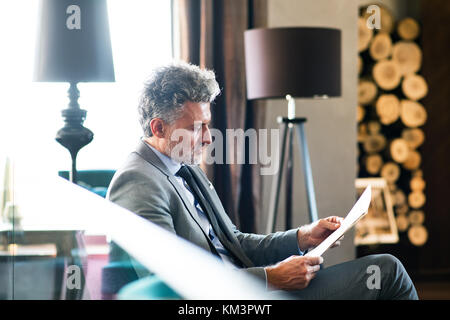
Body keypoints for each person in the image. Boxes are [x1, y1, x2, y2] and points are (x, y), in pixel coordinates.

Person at [106, 61, 418, 300]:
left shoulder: (184, 167)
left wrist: (302, 237)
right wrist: (271, 278)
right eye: (196, 128)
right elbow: (170, 282)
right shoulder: (138, 182)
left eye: (208, 125)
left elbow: (235, 242)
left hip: (252, 288)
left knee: (382, 269)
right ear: (158, 128)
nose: (207, 139)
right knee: (386, 272)